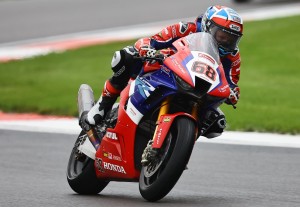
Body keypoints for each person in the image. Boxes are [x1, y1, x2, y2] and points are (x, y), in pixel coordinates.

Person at [80, 5, 243, 138]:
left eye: (231, 39)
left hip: (198, 87)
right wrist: (146, 49)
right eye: (221, 36)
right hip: (164, 71)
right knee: (127, 56)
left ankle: (178, 143)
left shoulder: (232, 56)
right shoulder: (185, 28)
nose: (225, 41)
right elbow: (150, 41)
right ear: (208, 26)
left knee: (217, 123)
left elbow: (231, 83)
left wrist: (233, 93)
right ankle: (102, 106)